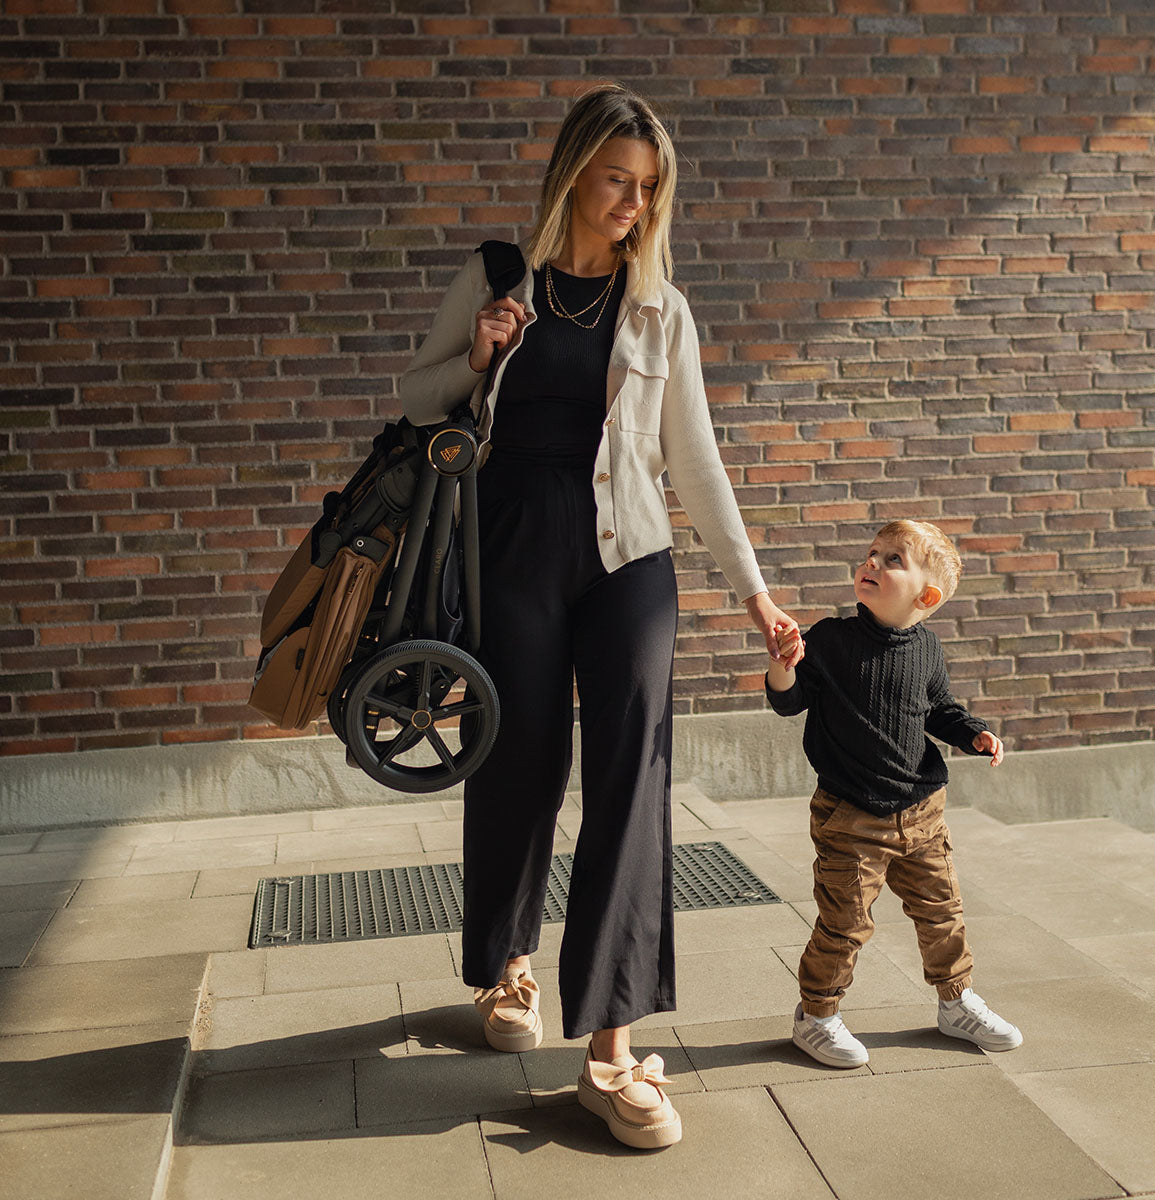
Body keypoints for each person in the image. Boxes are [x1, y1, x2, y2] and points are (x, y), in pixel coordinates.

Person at [398, 83, 801, 1149]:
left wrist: (754, 591)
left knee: (634, 783)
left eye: (649, 189)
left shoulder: (661, 307)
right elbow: (413, 394)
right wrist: (482, 353)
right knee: (517, 760)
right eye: (618, 179)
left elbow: (696, 463)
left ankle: (611, 1050)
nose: (632, 202)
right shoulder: (498, 279)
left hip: (630, 561)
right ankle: (507, 967)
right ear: (576, 170)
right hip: (514, 550)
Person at [764, 519, 1023, 1068]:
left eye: (892, 560)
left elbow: (939, 710)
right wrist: (782, 666)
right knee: (845, 922)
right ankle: (815, 1017)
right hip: (851, 815)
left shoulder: (926, 648)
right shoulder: (830, 640)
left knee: (942, 911)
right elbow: (789, 702)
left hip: (923, 812)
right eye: (872, 554)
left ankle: (955, 1003)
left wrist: (973, 733)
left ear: (925, 596)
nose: (873, 564)